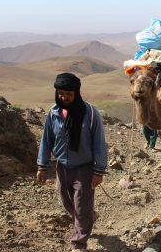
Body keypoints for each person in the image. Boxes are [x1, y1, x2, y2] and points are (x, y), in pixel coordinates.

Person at [36, 72, 107, 252]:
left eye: (68, 94)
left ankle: (78, 244)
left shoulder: (90, 113)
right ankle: (89, 217)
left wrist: (99, 171)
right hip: (62, 166)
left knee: (81, 205)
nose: (64, 97)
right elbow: (47, 140)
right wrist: (42, 165)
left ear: (76, 93)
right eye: (61, 93)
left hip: (84, 168)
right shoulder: (53, 113)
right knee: (66, 200)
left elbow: (99, 143)